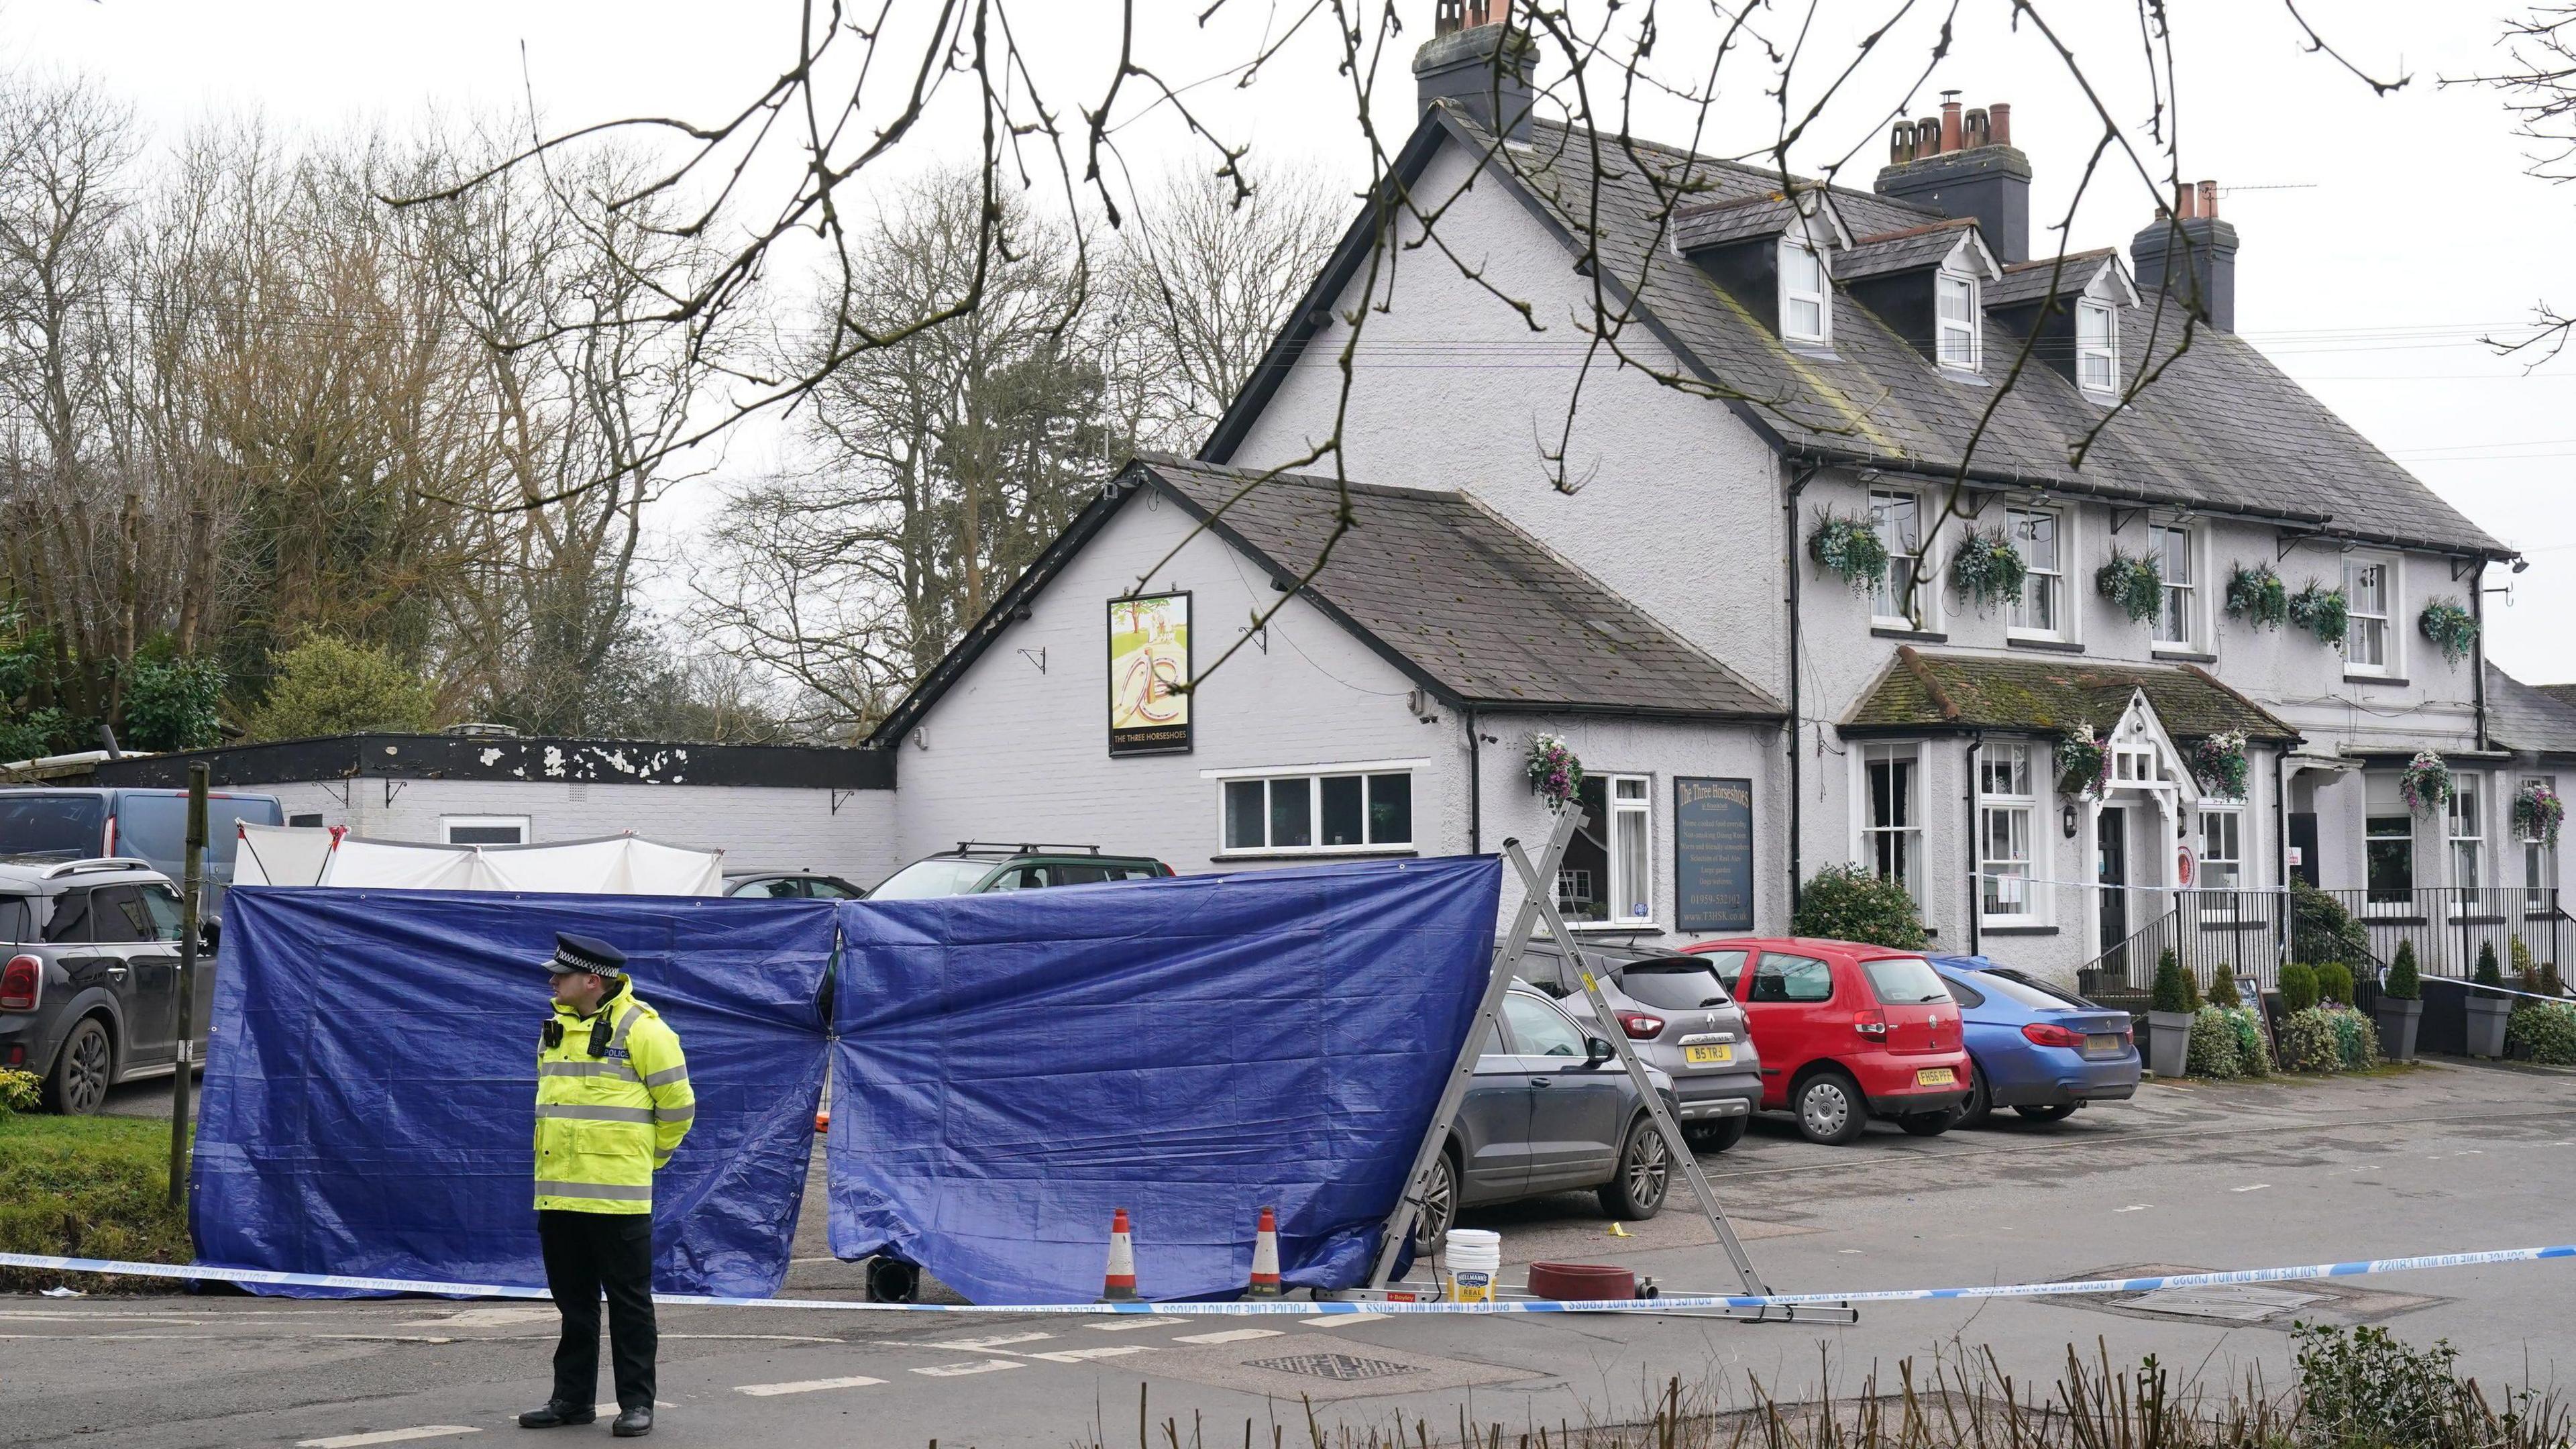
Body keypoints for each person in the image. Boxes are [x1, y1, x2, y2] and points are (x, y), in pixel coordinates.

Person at [519, 932, 694, 1438]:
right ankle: (572, 1400)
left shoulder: (645, 1030)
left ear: (592, 980)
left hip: (617, 1199)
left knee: (629, 1305)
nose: (552, 981)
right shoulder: (554, 1028)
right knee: (573, 1307)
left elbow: (679, 1108)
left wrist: (647, 1161)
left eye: (561, 975)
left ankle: (637, 1403)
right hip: (559, 1195)